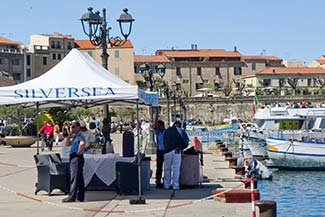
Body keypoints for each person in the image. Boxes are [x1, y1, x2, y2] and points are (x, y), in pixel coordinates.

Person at [62, 121, 86, 203]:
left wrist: (78, 151)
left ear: (78, 127)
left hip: (76, 157)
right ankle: (81, 196)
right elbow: (68, 144)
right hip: (74, 157)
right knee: (79, 178)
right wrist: (69, 136)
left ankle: (72, 196)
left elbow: (82, 143)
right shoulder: (75, 136)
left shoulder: (79, 135)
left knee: (74, 177)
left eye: (74, 127)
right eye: (72, 127)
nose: (72, 128)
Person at [163, 121, 189, 190]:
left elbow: (163, 140)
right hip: (177, 150)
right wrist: (182, 147)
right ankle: (175, 185)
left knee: (167, 168)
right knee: (176, 168)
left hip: (167, 151)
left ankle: (166, 185)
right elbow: (186, 141)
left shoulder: (167, 130)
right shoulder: (181, 131)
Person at [154, 119, 166, 188]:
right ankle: (158, 181)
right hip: (159, 151)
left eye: (158, 126)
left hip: (165, 150)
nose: (157, 127)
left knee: (167, 167)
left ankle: (166, 180)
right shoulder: (157, 133)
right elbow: (153, 126)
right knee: (159, 167)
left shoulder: (166, 132)